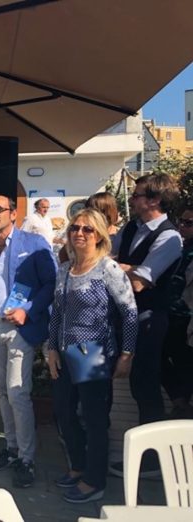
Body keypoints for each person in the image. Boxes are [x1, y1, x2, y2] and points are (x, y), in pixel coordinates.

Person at [47, 209, 137, 503]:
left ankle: (94, 480)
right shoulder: (65, 269)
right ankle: (77, 466)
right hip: (64, 351)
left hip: (93, 352)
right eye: (75, 228)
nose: (80, 233)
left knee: (94, 418)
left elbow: (129, 312)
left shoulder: (107, 269)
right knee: (63, 412)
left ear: (99, 235)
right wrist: (51, 348)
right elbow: (57, 313)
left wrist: (127, 353)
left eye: (88, 229)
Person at [0, 194, 56, 488]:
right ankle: (11, 447)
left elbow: (51, 283)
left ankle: (27, 458)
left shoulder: (33, 244)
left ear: (13, 213)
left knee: (18, 393)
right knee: (4, 393)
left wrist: (28, 310)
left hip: (19, 327)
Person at [110, 173, 182, 476]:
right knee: (134, 384)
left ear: (154, 200)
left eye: (137, 195)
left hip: (149, 319)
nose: (132, 199)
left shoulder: (170, 237)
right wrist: (126, 267)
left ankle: (152, 460)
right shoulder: (132, 227)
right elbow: (106, 257)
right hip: (124, 315)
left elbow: (140, 282)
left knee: (146, 385)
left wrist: (120, 267)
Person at [161, 207, 193, 418]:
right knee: (162, 356)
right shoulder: (181, 246)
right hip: (170, 312)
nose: (182, 225)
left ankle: (182, 405)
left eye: (189, 223)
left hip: (186, 316)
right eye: (181, 221)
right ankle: (179, 400)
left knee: (184, 362)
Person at [59, 192, 120, 264]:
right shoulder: (80, 231)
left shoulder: (120, 235)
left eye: (93, 210)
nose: (88, 213)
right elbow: (63, 254)